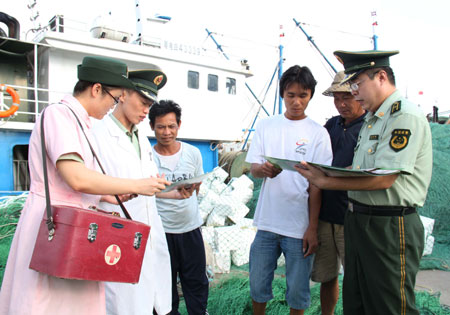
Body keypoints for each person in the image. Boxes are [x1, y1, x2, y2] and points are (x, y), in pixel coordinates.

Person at [0, 56, 170, 315]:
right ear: (97, 89)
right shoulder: (59, 115)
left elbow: (81, 183)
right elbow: (76, 177)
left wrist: (109, 195)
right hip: (56, 227)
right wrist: (136, 184)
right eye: (113, 99)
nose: (112, 107)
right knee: (47, 304)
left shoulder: (81, 122)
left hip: (75, 229)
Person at [296, 50, 432, 315]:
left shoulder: (403, 117)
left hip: (390, 224)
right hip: (358, 219)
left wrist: (324, 181)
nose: (353, 93)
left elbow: (383, 179)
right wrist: (329, 171)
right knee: (357, 300)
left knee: (390, 304)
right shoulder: (373, 118)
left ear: (381, 76)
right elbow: (360, 170)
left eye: (356, 85)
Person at [245, 65, 332, 315]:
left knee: (298, 291)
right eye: (290, 94)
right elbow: (253, 167)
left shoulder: (318, 133)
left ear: (311, 95)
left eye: (302, 95)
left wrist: (312, 228)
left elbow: (317, 185)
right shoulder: (265, 126)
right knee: (257, 284)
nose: (296, 101)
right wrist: (264, 170)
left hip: (299, 226)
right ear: (282, 94)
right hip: (267, 223)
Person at [91, 69, 176, 315]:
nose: (145, 111)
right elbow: (86, 186)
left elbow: (143, 181)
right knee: (122, 304)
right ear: (123, 94)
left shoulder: (140, 136)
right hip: (116, 234)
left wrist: (162, 187)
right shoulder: (97, 135)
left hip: (148, 230)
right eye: (142, 103)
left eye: (149, 105)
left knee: (153, 300)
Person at [311, 71, 366, 315]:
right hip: (325, 214)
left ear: (358, 94)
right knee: (327, 276)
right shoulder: (331, 125)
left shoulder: (370, 126)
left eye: (347, 97)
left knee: (355, 279)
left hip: (352, 216)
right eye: (337, 98)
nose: (342, 104)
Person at [149, 100, 209, 315]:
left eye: (171, 126)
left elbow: (198, 186)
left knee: (196, 282)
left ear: (179, 125)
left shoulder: (192, 153)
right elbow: (144, 191)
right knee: (164, 286)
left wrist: (193, 188)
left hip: (190, 229)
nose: (166, 132)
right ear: (152, 127)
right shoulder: (147, 157)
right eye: (161, 127)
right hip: (160, 232)